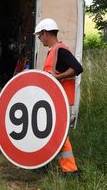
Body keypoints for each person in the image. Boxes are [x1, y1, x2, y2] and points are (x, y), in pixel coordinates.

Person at [35, 18, 83, 176]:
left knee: (60, 136)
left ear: (45, 33)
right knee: (50, 133)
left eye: (39, 36)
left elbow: (77, 68)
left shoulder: (60, 50)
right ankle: (45, 164)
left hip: (61, 101)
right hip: (53, 101)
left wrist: (59, 77)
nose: (39, 39)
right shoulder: (53, 52)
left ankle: (71, 171)